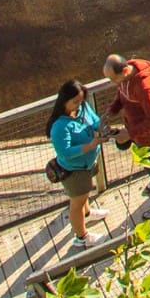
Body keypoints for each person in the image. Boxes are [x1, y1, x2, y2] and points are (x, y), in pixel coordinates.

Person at [103, 54, 150, 216]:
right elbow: (121, 94)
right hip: (137, 130)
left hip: (146, 132)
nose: (112, 82)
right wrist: (113, 109)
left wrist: (129, 134)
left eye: (113, 78)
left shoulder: (145, 87)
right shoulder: (125, 78)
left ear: (124, 70)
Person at [45, 78, 110, 250]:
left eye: (80, 101)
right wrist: (90, 145)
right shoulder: (59, 127)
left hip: (87, 164)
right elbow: (65, 152)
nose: (79, 105)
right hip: (75, 171)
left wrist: (102, 126)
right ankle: (82, 237)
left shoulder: (82, 108)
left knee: (85, 193)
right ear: (64, 101)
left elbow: (94, 120)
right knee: (77, 202)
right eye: (75, 102)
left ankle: (87, 214)